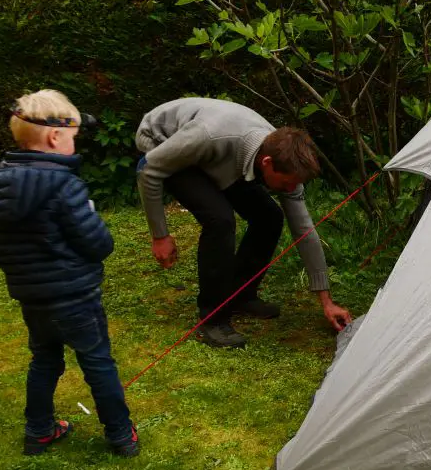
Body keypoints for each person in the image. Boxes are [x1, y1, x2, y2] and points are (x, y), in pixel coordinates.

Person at [0, 90, 140, 457]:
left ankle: (39, 430)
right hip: (75, 297)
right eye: (73, 136)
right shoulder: (64, 185)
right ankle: (120, 434)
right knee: (98, 361)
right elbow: (98, 243)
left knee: (45, 359)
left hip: (32, 296)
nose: (74, 143)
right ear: (55, 137)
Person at [134, 98, 352, 348]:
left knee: (269, 216)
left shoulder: (285, 160)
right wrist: (160, 235)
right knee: (220, 220)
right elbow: (149, 169)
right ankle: (213, 320)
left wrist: (326, 300)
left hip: (220, 153)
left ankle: (240, 295)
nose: (290, 190)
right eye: (285, 184)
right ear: (267, 163)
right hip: (162, 141)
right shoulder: (207, 137)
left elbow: (303, 229)